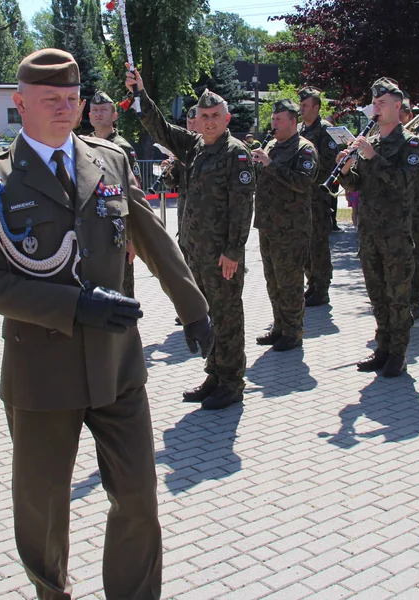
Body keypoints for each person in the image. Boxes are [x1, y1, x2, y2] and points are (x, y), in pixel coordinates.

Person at [0, 48, 212, 600]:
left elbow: (151, 237)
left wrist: (193, 307)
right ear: (20, 103)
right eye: (51, 100)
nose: (66, 109)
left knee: (139, 498)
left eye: (72, 98)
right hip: (42, 374)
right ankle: (53, 592)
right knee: (44, 511)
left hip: (117, 366)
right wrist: (74, 306)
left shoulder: (109, 160)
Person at [134, 71, 255, 411]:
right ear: (197, 121)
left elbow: (242, 207)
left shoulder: (236, 154)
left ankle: (232, 382)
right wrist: (142, 93)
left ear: (227, 118)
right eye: (204, 116)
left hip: (221, 256)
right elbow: (159, 129)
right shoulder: (196, 146)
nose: (209, 121)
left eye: (215, 116)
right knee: (210, 315)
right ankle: (215, 374)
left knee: (228, 315)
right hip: (196, 253)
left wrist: (233, 250)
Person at [337, 77, 419, 378]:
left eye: (382, 103)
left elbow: (404, 182)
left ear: (398, 107)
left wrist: (373, 158)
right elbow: (358, 185)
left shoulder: (411, 143)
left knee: (397, 298)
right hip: (369, 233)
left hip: (396, 236)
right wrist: (346, 171)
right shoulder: (370, 143)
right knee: (377, 296)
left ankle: (398, 354)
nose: (376, 108)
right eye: (374, 103)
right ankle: (383, 347)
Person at [252, 98, 318, 351]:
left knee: (289, 282)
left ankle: (293, 331)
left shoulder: (304, 149)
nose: (274, 124)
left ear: (293, 121)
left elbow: (302, 183)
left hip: (290, 227)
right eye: (273, 119)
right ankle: (279, 325)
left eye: (279, 119)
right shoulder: (271, 145)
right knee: (273, 280)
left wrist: (271, 164)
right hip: (267, 225)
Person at [89, 92, 142, 297]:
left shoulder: (122, 148)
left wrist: (131, 238)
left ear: (114, 115)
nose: (98, 114)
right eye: (94, 110)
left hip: (117, 231)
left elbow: (134, 196)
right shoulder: (85, 143)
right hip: (93, 229)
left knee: (122, 288)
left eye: (103, 110)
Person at [298, 86, 345, 306]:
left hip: (317, 196)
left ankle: (322, 288)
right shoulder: (299, 130)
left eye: (305, 105)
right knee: (305, 244)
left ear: (316, 107)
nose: (301, 109)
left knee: (318, 243)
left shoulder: (326, 130)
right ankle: (312, 284)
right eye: (300, 104)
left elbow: (330, 162)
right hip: (301, 197)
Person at [401, 98, 419, 318]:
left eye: (403, 113)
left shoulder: (416, 140)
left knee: (414, 255)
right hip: (392, 213)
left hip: (413, 209)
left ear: (409, 116)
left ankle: (415, 299)